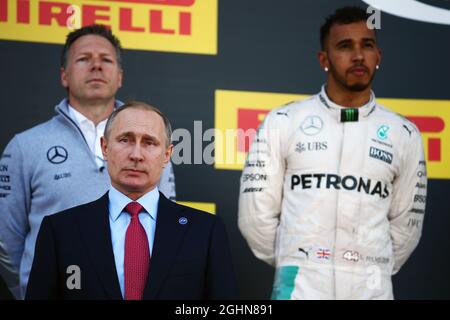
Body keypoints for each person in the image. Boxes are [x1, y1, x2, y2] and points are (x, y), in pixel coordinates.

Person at [238, 6, 427, 300]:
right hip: (299, 288)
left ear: (378, 56)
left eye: (367, 45)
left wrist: (364, 264)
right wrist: (300, 261)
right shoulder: (283, 122)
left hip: (371, 291)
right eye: (344, 46)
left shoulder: (404, 134)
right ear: (324, 60)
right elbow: (255, 219)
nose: (358, 56)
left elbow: (406, 229)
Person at [0, 25, 176, 299]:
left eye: (106, 60)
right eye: (84, 59)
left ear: (119, 77)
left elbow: (165, 229)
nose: (96, 66)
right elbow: (7, 242)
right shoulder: (25, 146)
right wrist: (28, 291)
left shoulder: (152, 145)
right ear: (64, 75)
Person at [25, 101, 238, 300]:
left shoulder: (206, 232)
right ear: (105, 148)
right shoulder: (60, 230)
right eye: (125, 140)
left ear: (166, 155)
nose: (136, 154)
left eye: (149, 142)